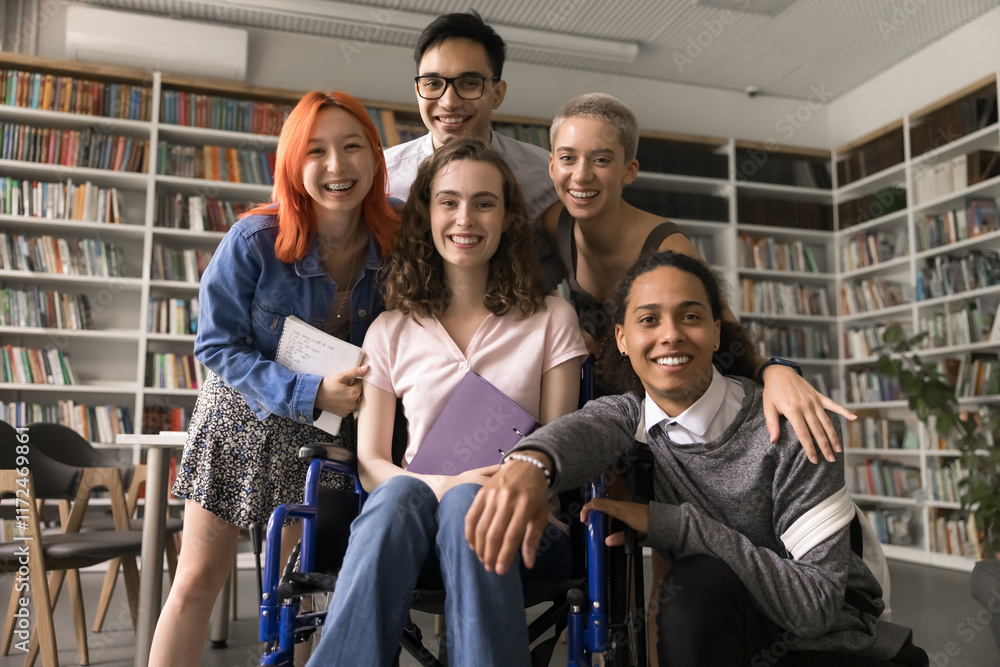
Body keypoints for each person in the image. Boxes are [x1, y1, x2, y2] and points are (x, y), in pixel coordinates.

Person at [466, 251, 928, 667]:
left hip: (835, 644)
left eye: (689, 316)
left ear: (715, 333)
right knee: (695, 588)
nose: (670, 335)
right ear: (622, 339)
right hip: (728, 632)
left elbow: (815, 608)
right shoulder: (630, 419)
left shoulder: (791, 424)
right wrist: (530, 465)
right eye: (649, 321)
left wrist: (672, 524)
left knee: (699, 582)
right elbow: (584, 430)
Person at [305, 138, 588, 666]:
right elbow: (370, 464)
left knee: (464, 504)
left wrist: (477, 488)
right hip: (406, 518)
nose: (466, 218)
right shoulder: (390, 330)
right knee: (398, 496)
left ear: (507, 218)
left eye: (484, 202)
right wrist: (443, 484)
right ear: (426, 215)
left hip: (523, 523)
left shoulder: (552, 318)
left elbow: (563, 448)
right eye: (449, 201)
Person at [149, 91, 400, 667]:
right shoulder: (253, 240)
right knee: (197, 579)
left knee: (300, 596)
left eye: (351, 146)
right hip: (241, 419)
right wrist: (308, 393)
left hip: (323, 436)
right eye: (316, 151)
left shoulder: (397, 243)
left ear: (375, 157)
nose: (336, 166)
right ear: (293, 163)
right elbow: (215, 345)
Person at [543, 92, 853, 463]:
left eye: (602, 160)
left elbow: (725, 338)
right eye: (568, 158)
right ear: (551, 166)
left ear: (629, 170)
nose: (581, 174)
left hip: (671, 415)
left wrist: (775, 371)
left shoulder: (667, 247)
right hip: (601, 406)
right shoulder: (552, 224)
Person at [384, 10, 558, 223]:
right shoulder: (384, 176)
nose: (448, 102)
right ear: (418, 91)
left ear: (498, 94)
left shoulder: (545, 177)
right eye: (433, 84)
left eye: (469, 84)